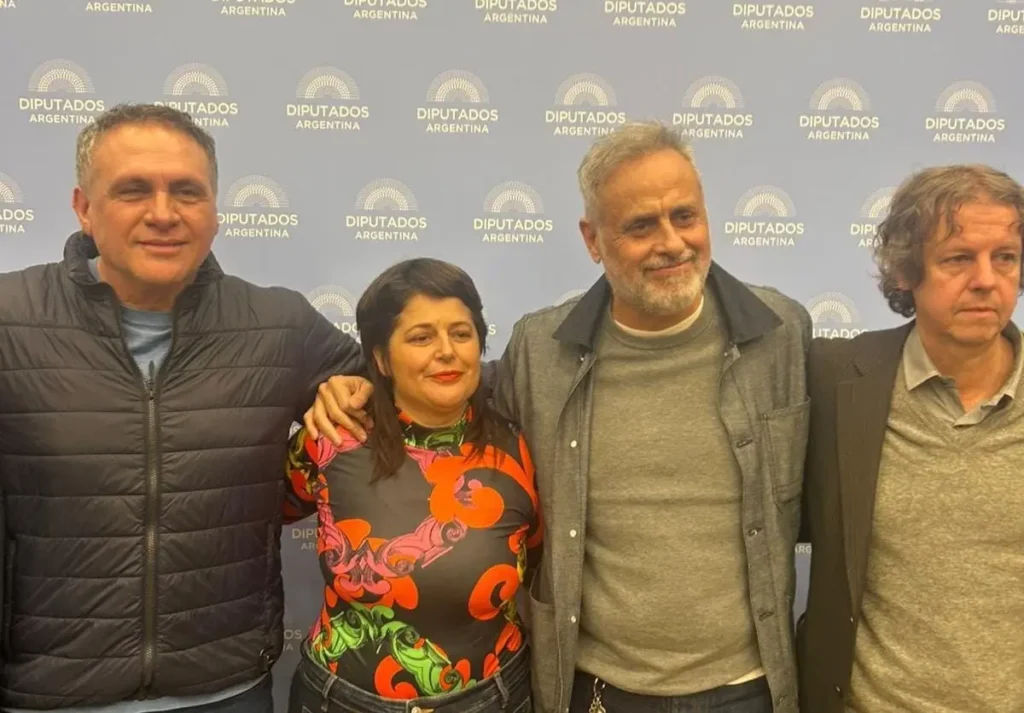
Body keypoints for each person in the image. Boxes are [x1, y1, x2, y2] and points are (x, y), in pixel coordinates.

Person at [305, 121, 811, 713]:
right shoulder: (541, 350)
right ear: (592, 240)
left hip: (748, 687)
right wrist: (356, 385)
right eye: (640, 226)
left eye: (685, 216)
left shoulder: (781, 334)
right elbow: (442, 391)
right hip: (595, 687)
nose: (672, 242)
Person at [0, 103, 363, 711]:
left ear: (215, 212)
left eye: (187, 192)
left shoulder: (280, 324)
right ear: (84, 208)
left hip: (227, 690)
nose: (164, 213)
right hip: (46, 693)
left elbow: (402, 390)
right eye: (133, 190)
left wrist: (351, 389)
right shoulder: (11, 320)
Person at [798, 164, 1024, 713]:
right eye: (958, 258)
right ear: (905, 271)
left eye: (1005, 257)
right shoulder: (834, 380)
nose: (986, 280)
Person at [282, 258, 540, 713]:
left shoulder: (524, 449)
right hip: (342, 701)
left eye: (461, 333)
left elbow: (543, 564)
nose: (447, 351)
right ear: (381, 359)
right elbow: (257, 517)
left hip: (490, 699)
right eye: (421, 337)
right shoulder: (330, 439)